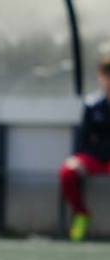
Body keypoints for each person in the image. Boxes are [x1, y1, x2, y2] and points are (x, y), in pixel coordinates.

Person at [60, 57, 110, 242]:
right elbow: (83, 139)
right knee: (67, 171)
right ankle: (81, 214)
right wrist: (78, 159)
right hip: (95, 158)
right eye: (107, 75)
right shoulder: (92, 106)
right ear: (101, 77)